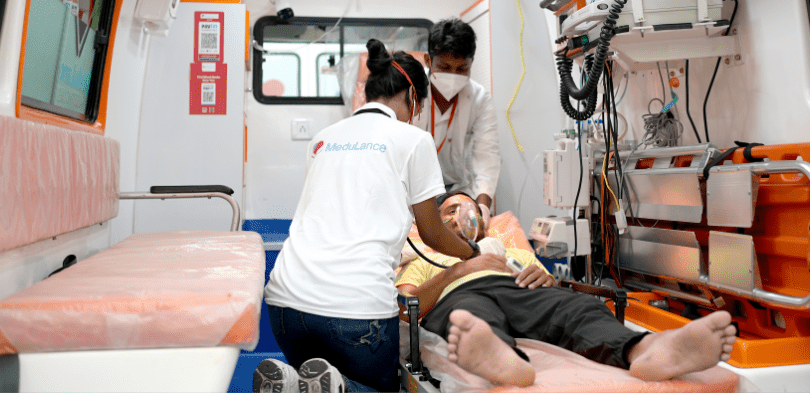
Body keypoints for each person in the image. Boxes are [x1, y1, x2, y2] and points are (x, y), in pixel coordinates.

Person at [255, 40, 484, 393]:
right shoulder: (413, 140)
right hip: (354, 310)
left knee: (309, 383)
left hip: (285, 303)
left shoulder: (323, 139)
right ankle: (342, 388)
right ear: (412, 93)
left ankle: (293, 383)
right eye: (418, 105)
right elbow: (433, 232)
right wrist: (471, 254)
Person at [396, 194, 738, 387]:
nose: (460, 216)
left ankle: (645, 350)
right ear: (435, 226)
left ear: (483, 220)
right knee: (471, 316)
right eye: (448, 212)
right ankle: (500, 358)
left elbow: (551, 291)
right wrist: (458, 269)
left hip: (519, 288)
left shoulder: (512, 251)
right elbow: (404, 306)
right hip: (459, 294)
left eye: (466, 208)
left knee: (577, 307)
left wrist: (546, 280)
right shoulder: (430, 256)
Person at [418, 19, 501, 220]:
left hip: (458, 190)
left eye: (462, 69)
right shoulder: (411, 94)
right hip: (417, 191)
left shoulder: (479, 99)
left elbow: (486, 156)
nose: (453, 75)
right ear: (428, 61)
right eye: (444, 67)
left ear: (471, 64)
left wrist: (482, 210)